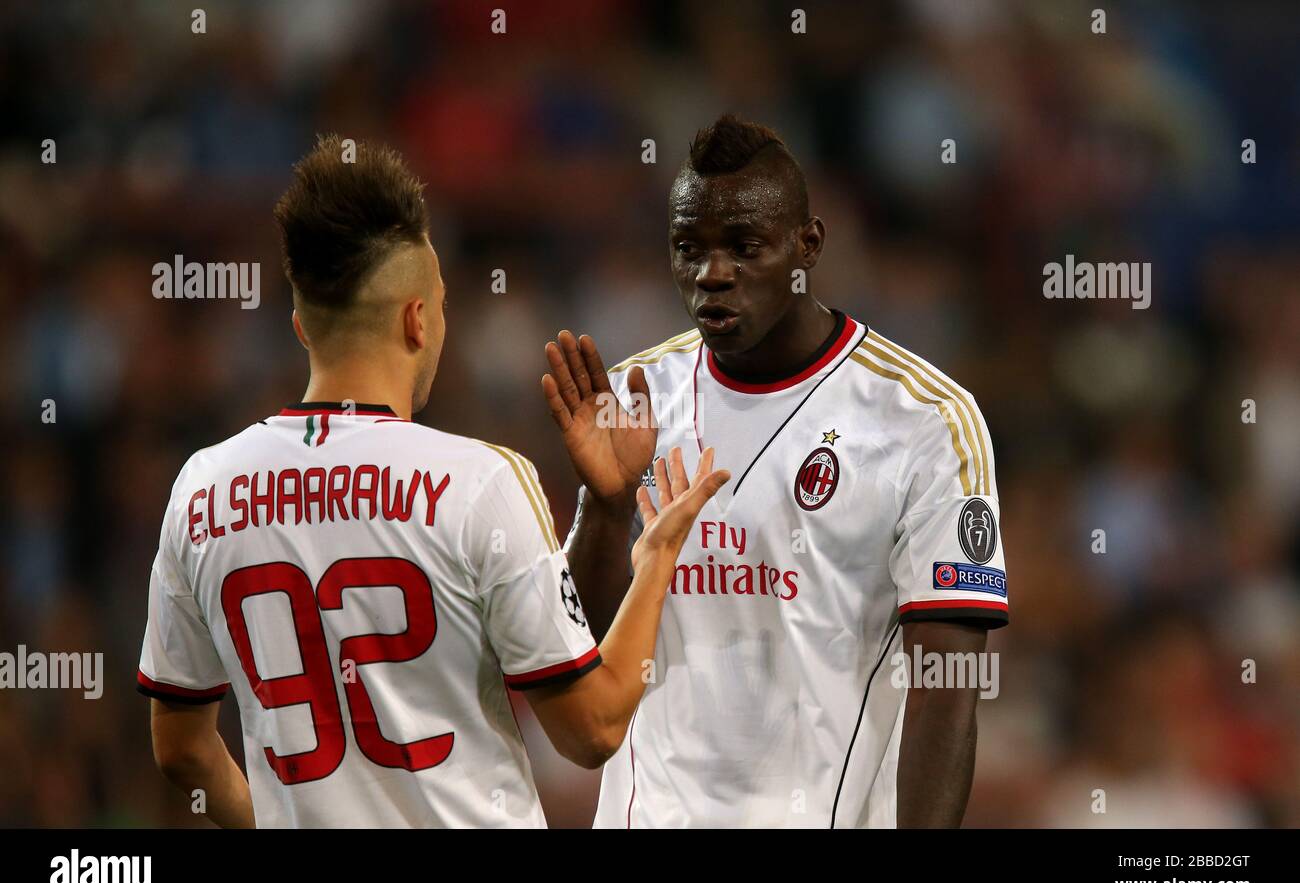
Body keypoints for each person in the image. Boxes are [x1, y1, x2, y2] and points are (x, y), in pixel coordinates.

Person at [138, 134, 728, 828]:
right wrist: (656, 553)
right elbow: (591, 729)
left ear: (302, 327)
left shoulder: (202, 489)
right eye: (442, 302)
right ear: (418, 318)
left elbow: (180, 748)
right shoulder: (480, 482)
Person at [543, 115, 1008, 828]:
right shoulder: (634, 399)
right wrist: (605, 509)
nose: (713, 274)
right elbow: (577, 664)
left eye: (743, 246)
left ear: (808, 244)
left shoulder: (925, 419)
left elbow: (945, 689)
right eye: (688, 248)